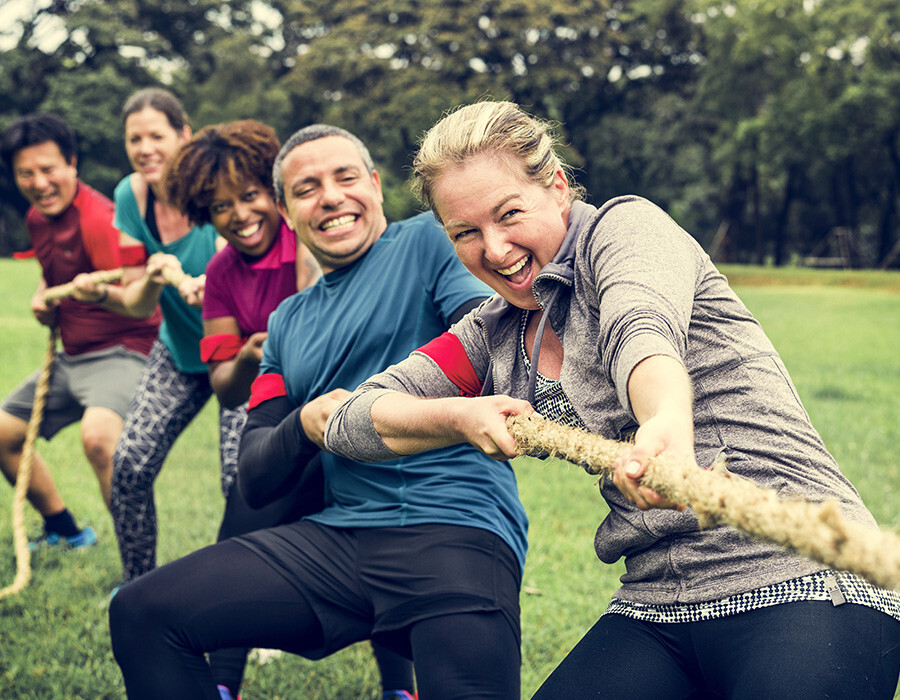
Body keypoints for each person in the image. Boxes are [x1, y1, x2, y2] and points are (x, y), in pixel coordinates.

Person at [323, 101, 900, 699]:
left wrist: (665, 423)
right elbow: (353, 421)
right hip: (656, 605)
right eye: (465, 232)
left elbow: (640, 329)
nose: (493, 249)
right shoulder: (491, 334)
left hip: (804, 577)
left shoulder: (624, 231)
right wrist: (460, 414)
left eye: (509, 214)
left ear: (557, 187)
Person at [109, 123, 529, 700]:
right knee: (140, 612)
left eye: (345, 177)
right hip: (341, 541)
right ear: (287, 210)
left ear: (376, 186)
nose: (330, 196)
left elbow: (490, 341)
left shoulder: (427, 245)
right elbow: (255, 474)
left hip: (454, 531)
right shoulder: (285, 324)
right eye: (306, 188)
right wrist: (305, 422)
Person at [164, 118, 415, 700]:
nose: (240, 215)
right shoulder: (224, 272)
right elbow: (226, 386)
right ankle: (224, 683)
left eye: (249, 197)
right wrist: (257, 351)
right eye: (219, 206)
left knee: (385, 532)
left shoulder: (313, 233)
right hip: (284, 423)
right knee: (240, 526)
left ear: (274, 199)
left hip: (360, 413)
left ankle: (399, 688)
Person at [0, 113, 160, 549]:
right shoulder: (38, 218)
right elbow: (55, 270)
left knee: (99, 437)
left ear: (72, 163)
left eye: (48, 169)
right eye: (26, 173)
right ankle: (65, 530)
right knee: (3, 433)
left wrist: (97, 297)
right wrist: (43, 296)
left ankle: (141, 565)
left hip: (125, 350)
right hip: (72, 357)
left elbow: (142, 302)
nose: (39, 182)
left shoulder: (101, 220)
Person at [104, 87, 243, 588]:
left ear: (183, 136)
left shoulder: (216, 188)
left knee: (242, 481)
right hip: (181, 351)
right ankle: (137, 587)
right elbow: (133, 302)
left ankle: (257, 606)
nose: (145, 148)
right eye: (134, 138)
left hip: (242, 353)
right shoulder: (130, 196)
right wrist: (153, 276)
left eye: (156, 136)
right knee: (130, 464)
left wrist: (218, 284)